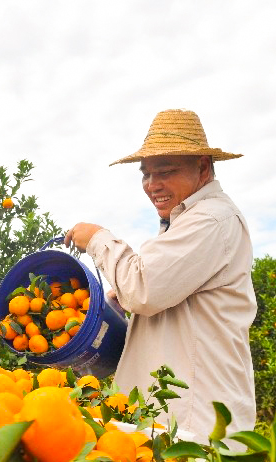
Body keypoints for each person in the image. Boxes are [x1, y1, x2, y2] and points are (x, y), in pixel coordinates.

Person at [64, 109, 257, 442]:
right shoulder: (187, 221)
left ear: (203, 168)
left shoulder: (210, 219)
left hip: (194, 424)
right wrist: (122, 301)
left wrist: (97, 238)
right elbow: (160, 295)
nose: (153, 185)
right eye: (146, 174)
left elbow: (144, 288)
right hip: (170, 418)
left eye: (165, 172)